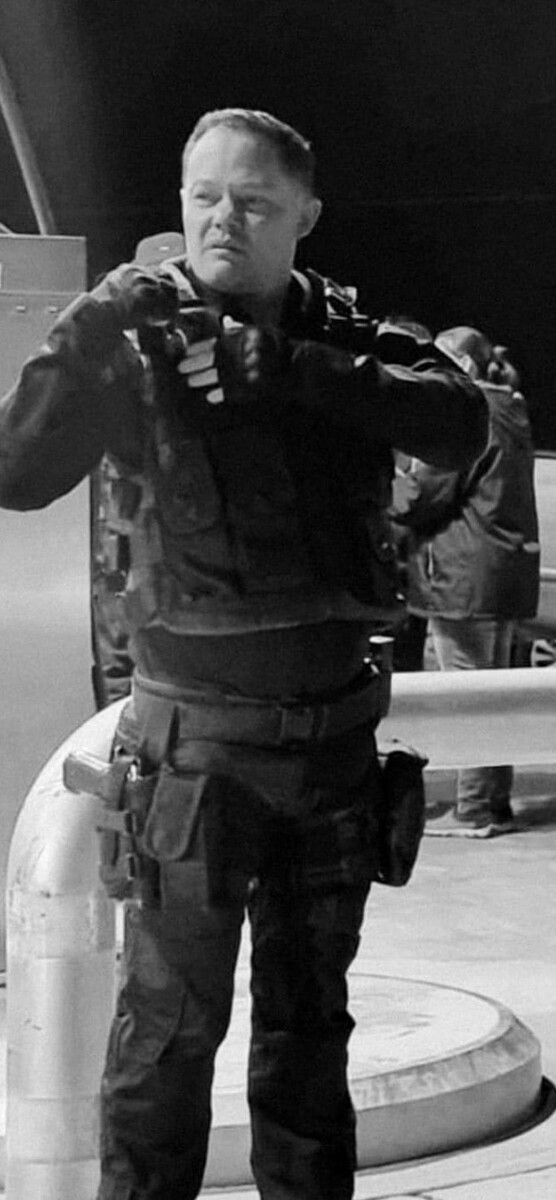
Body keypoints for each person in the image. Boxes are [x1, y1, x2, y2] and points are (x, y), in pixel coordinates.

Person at [0, 109, 487, 1200]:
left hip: (333, 753)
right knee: (165, 1049)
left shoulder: (341, 335)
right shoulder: (136, 341)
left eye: (255, 201)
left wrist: (292, 369)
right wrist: (86, 326)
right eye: (204, 196)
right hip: (194, 760)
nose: (224, 219)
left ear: (304, 216)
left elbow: (460, 421)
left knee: (311, 1040)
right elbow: (16, 472)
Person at [392, 324, 540, 839]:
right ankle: (493, 803)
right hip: (500, 574)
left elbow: (423, 494)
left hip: (462, 578)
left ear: (465, 367)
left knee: (462, 694)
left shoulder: (469, 415)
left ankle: (473, 809)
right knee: (491, 693)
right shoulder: (510, 410)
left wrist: (382, 496)